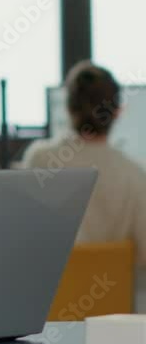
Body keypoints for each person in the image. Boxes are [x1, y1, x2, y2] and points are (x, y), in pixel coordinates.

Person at [23, 61, 146, 264]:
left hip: (52, 294)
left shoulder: (39, 159)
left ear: (69, 108)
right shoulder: (134, 175)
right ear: (117, 112)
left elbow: (23, 239)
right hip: (112, 293)